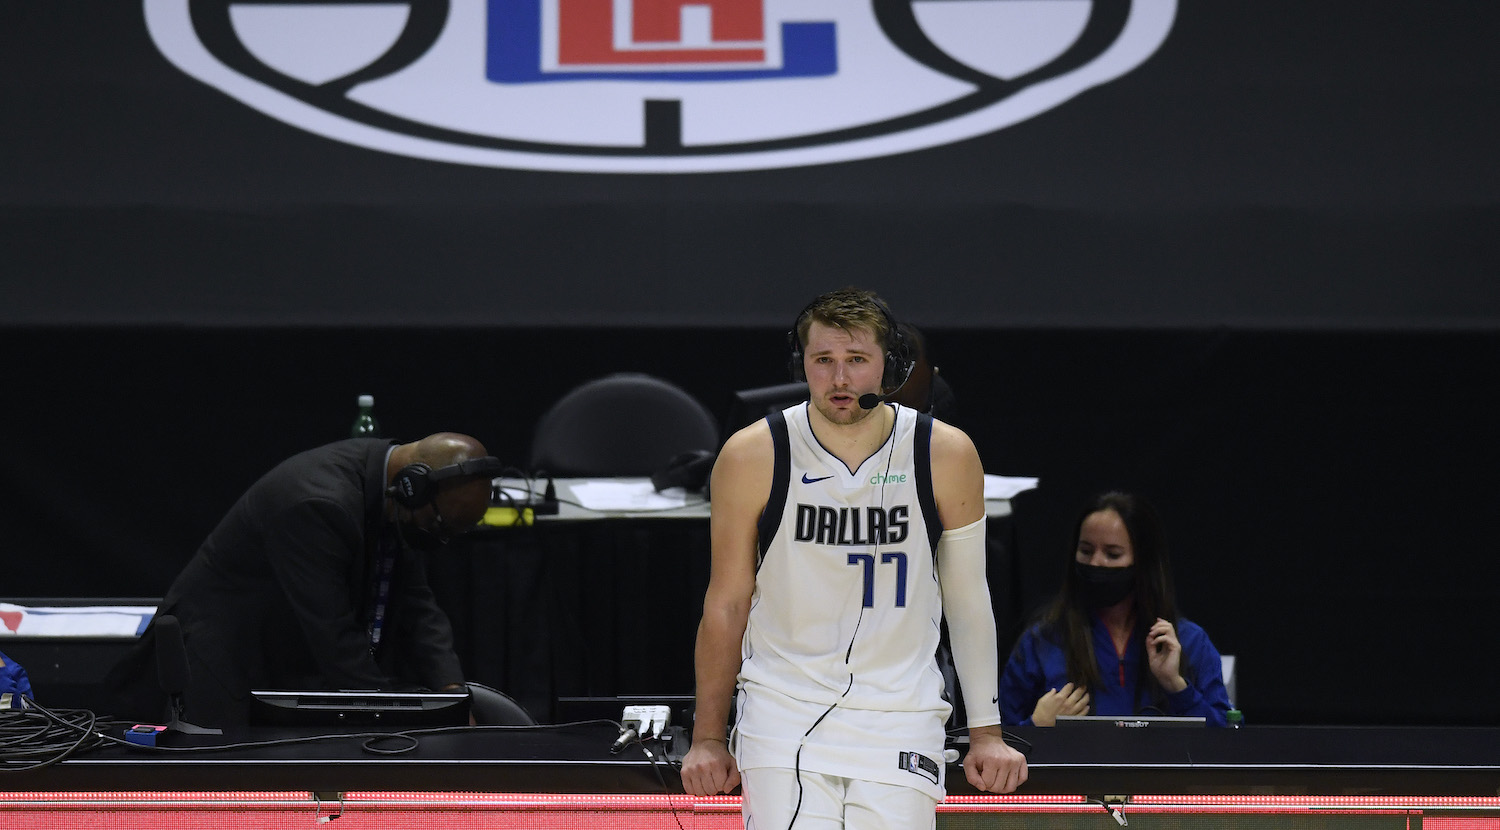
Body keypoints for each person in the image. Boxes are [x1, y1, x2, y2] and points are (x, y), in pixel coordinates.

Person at [681, 288, 1027, 828]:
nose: (840, 380)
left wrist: (986, 731)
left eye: (856, 361)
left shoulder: (946, 454)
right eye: (824, 361)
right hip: (781, 711)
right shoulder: (752, 454)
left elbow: (967, 599)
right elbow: (726, 603)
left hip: (901, 713)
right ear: (803, 365)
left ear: (890, 367)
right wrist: (707, 736)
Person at [108, 433, 501, 728]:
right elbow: (333, 636)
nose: (439, 539)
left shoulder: (393, 497)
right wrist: (395, 714)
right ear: (412, 484)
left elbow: (419, 608)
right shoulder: (315, 504)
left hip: (281, 653)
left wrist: (453, 696)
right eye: (437, 525)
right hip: (223, 664)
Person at [1000, 491, 1231, 726]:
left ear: (1143, 563)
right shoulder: (1043, 640)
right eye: (1086, 551)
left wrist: (1176, 686)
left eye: (1112, 554)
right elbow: (996, 744)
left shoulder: (1188, 642)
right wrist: (1036, 726)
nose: (1096, 563)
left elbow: (1228, 744)